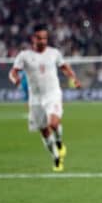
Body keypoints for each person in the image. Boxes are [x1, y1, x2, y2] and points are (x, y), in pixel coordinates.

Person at [9, 24, 81, 172]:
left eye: (45, 38)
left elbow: (64, 67)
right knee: (44, 131)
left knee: (53, 123)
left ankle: (60, 142)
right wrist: (15, 79)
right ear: (33, 39)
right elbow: (13, 72)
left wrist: (74, 78)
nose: (43, 41)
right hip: (35, 99)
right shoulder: (24, 56)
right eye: (40, 38)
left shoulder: (54, 53)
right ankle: (56, 156)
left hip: (52, 94)